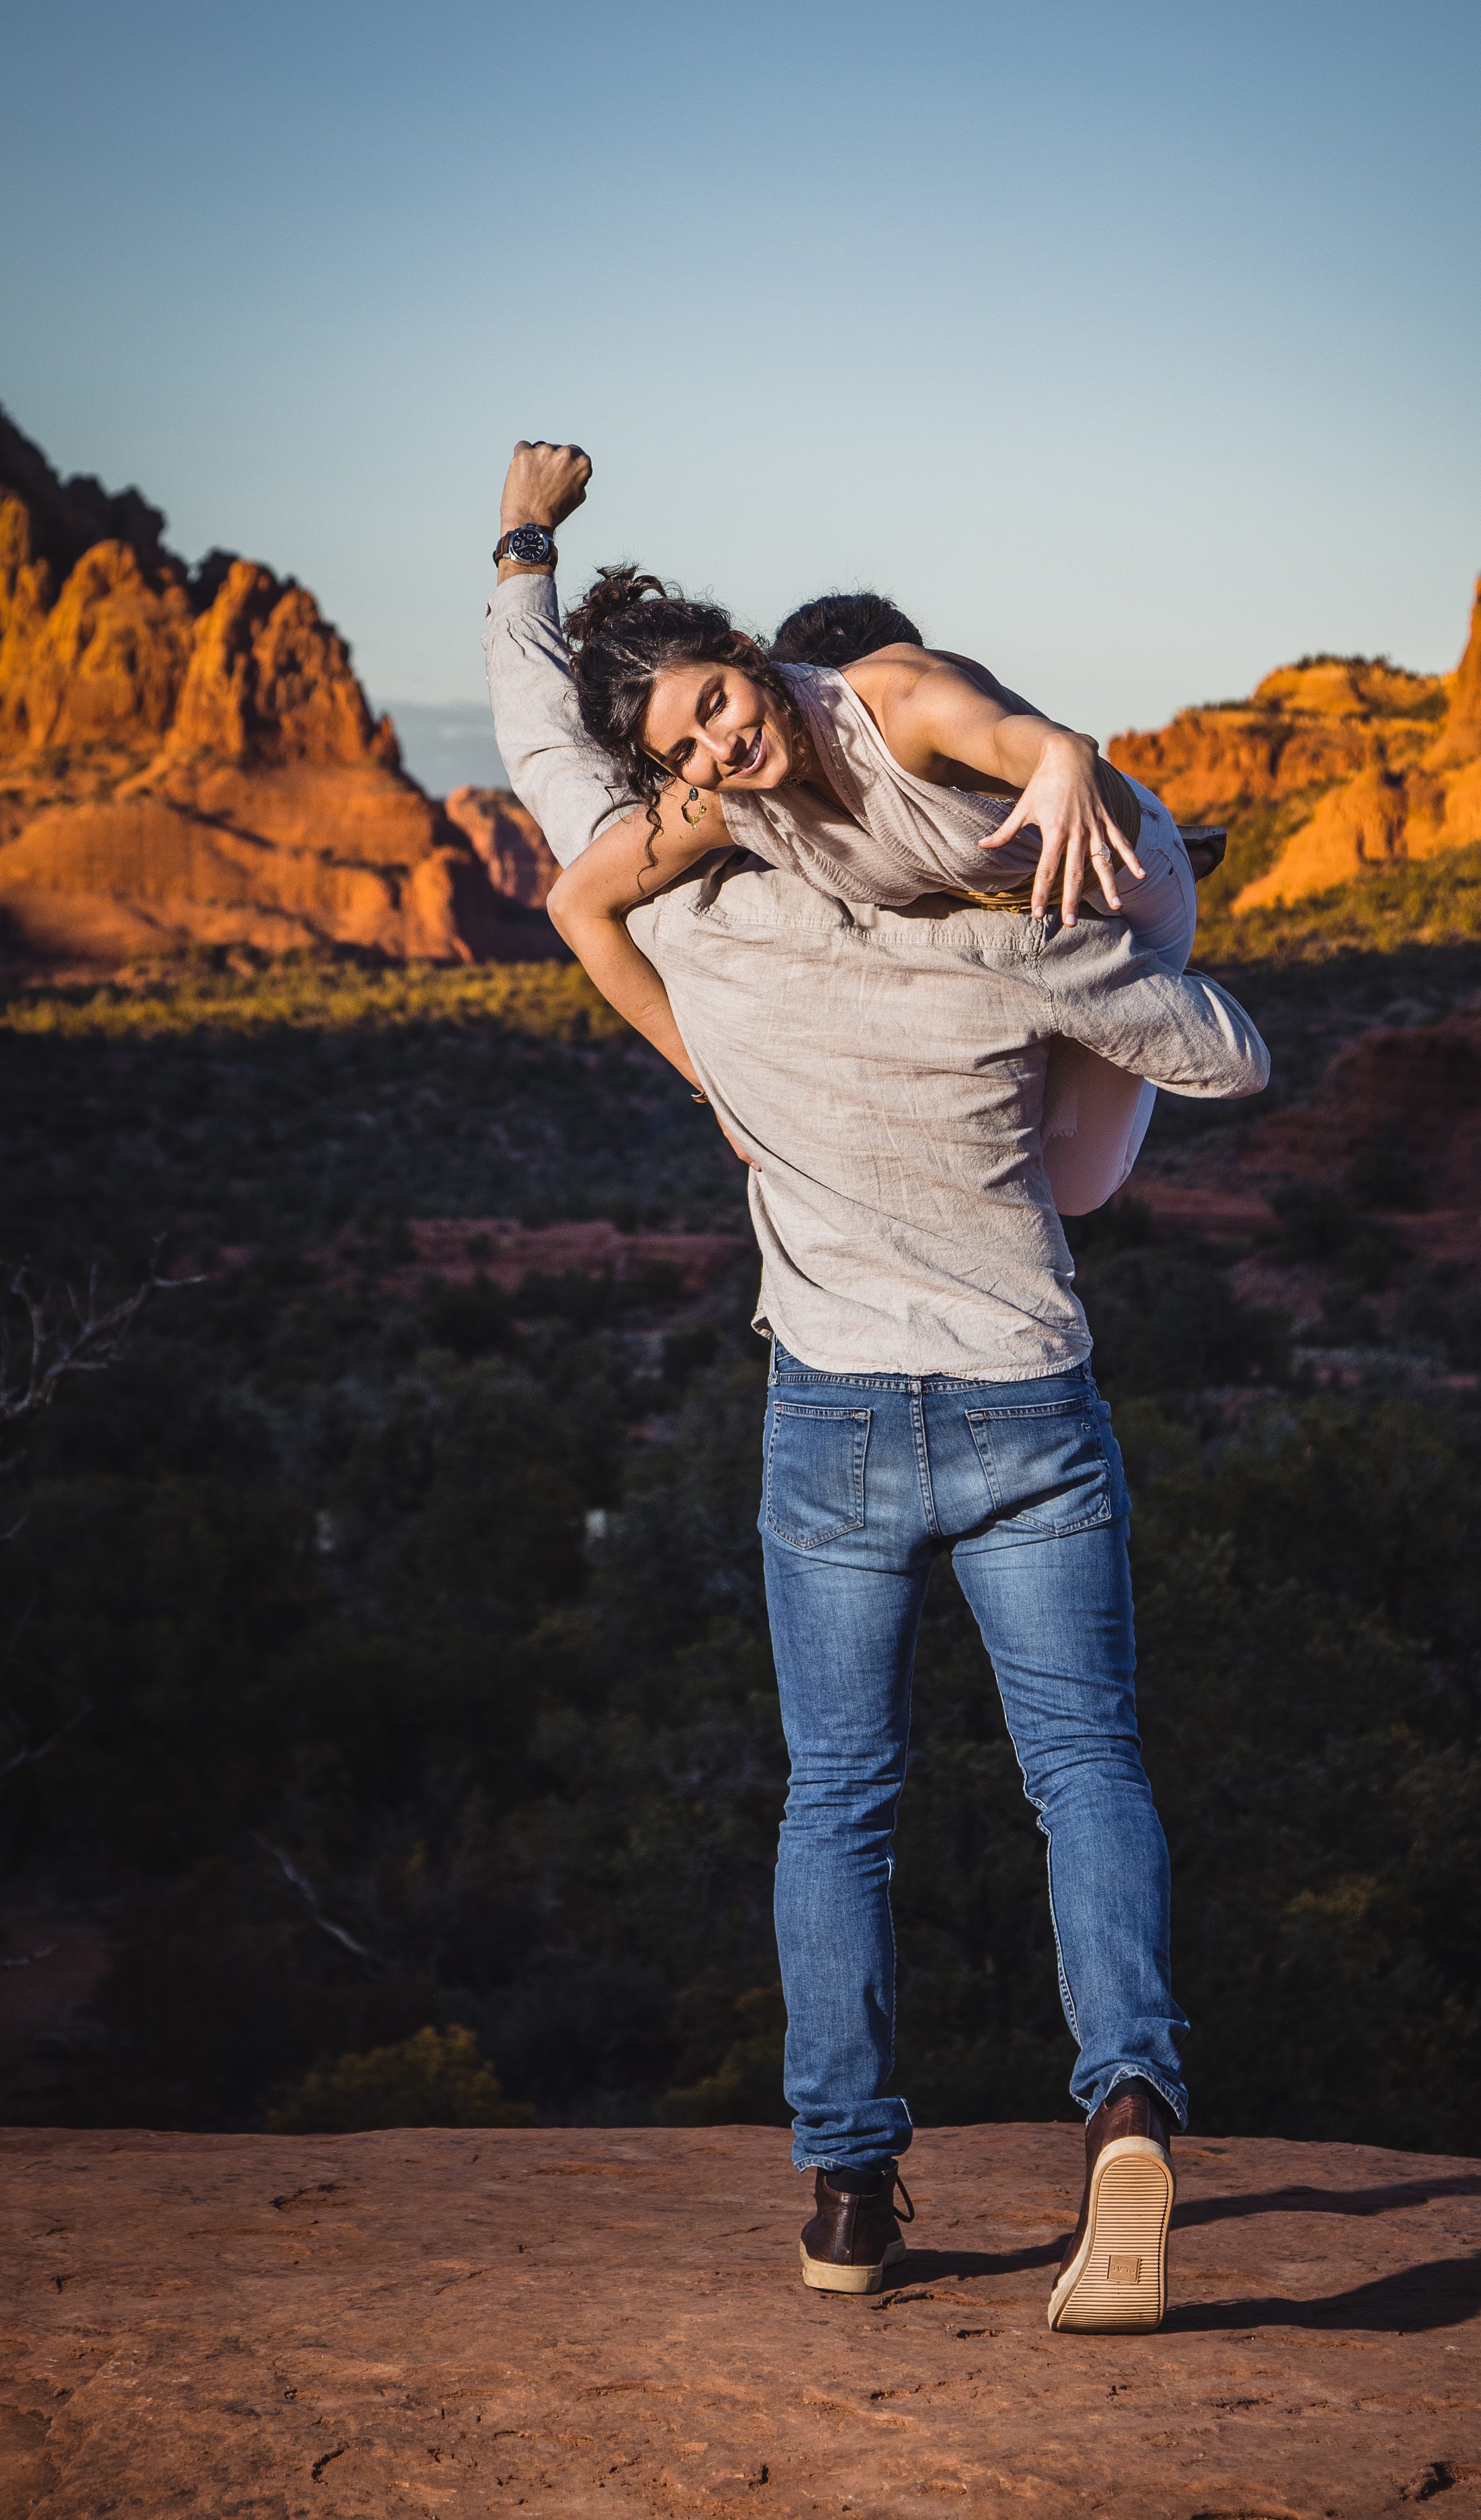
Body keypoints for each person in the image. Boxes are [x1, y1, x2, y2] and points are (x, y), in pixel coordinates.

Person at [485, 440, 1270, 2333]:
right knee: (1084, 1764)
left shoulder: (676, 900)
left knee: (841, 1795)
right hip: (1025, 1400)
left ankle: (847, 2187)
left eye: (722, 714)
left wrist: (522, 541)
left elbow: (540, 753)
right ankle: (1134, 2108)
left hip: (834, 1416)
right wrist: (1129, 939)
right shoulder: (1001, 928)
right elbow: (1232, 1052)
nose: (720, 746)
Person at [547, 566, 1199, 1217]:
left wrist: (1060, 755)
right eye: (681, 751)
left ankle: (1160, 989)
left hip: (1121, 893)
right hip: (997, 922)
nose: (722, 748)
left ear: (744, 654)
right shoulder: (714, 800)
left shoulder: (903, 706)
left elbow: (1010, 737)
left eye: (715, 704)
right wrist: (714, 1083)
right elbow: (576, 905)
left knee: (1073, 1191)